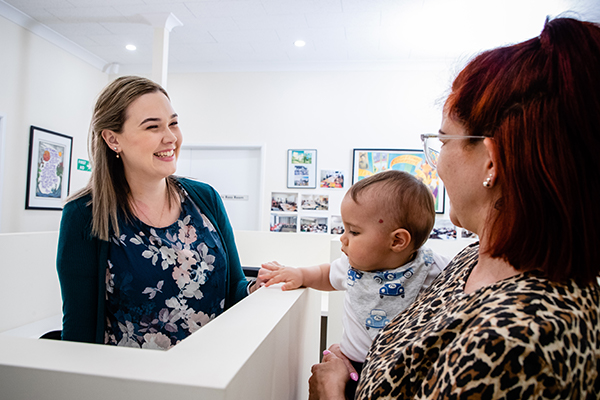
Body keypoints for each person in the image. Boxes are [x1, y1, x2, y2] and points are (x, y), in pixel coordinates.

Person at [308, 17, 600, 399]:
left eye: (444, 141)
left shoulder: (514, 343)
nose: (437, 162)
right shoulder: (472, 260)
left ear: (490, 162)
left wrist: (331, 393)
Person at [57, 76, 261, 350]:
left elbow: (233, 287)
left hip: (211, 373)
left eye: (173, 123)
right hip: (132, 383)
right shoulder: (85, 214)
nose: (171, 138)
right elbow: (79, 331)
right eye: (153, 127)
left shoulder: (205, 199)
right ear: (112, 139)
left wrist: (256, 288)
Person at [259, 170, 449, 399]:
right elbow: (325, 274)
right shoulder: (351, 267)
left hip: (401, 372)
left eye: (354, 231)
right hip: (352, 368)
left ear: (397, 240)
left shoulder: (434, 269)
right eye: (344, 228)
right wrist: (301, 275)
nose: (343, 238)